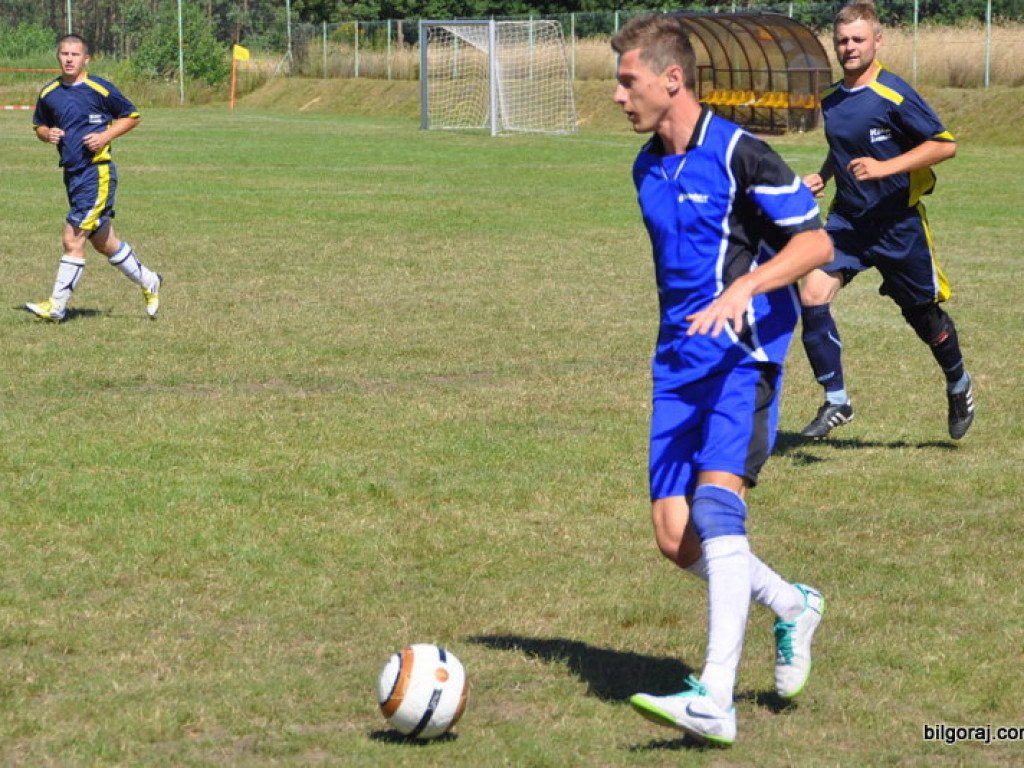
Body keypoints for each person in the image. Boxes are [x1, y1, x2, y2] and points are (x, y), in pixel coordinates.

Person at [610, 13, 833, 746]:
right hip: (677, 364)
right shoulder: (645, 167)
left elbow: (816, 241)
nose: (618, 95)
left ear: (671, 79)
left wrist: (746, 290)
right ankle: (792, 605)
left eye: (627, 80)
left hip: (745, 356)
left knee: (714, 509)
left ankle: (713, 697)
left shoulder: (741, 153)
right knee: (675, 538)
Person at [798, 0, 973, 440]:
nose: (849, 47)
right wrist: (823, 174)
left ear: (878, 40)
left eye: (858, 39)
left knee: (923, 318)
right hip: (849, 223)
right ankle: (836, 401)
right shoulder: (832, 100)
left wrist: (884, 168)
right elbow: (844, 149)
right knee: (812, 292)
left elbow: (944, 144)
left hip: (899, 226)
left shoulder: (893, 92)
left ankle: (959, 383)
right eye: (842, 40)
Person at [26, 34, 161, 323]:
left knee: (72, 238)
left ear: (86, 59)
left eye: (75, 54)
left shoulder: (99, 88)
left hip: (96, 173)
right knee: (103, 242)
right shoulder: (49, 93)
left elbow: (132, 115)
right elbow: (39, 125)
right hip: (72, 175)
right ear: (58, 57)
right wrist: (46, 135)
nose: (69, 59)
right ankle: (150, 280)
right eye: (64, 54)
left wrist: (105, 136)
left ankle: (56, 306)